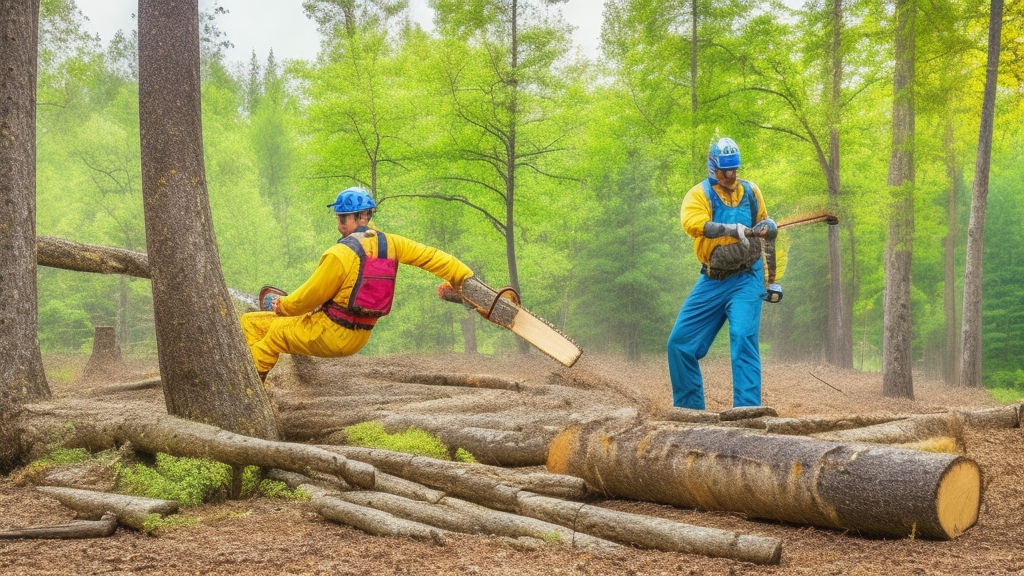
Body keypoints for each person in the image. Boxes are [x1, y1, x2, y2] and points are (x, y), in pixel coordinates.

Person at [240, 187, 474, 381]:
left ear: (350, 218)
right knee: (250, 322)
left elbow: (307, 298)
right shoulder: (392, 244)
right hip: (360, 334)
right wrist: (463, 277)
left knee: (275, 334)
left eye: (340, 217)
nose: (339, 223)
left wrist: (282, 306)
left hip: (331, 332)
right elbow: (432, 256)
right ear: (367, 215)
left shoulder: (340, 254)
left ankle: (251, 391)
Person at [666, 137, 784, 410]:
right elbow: (692, 223)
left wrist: (769, 229)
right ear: (713, 168)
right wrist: (731, 229)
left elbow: (767, 230)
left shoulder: (751, 191)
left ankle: (747, 411)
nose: (731, 176)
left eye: (734, 170)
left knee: (743, 337)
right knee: (679, 344)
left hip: (747, 277)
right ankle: (690, 411)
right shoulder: (699, 194)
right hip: (712, 279)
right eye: (725, 171)